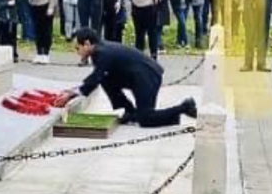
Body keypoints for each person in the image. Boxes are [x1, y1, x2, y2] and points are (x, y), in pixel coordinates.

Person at [53, 28, 198, 127]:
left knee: (146, 119)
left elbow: (94, 79)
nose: (76, 52)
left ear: (87, 44)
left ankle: (184, 107)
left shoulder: (102, 53)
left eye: (77, 48)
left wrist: (71, 94)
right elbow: (97, 77)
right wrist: (73, 91)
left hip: (147, 77)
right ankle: (130, 111)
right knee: (105, 78)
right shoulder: (99, 51)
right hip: (136, 77)